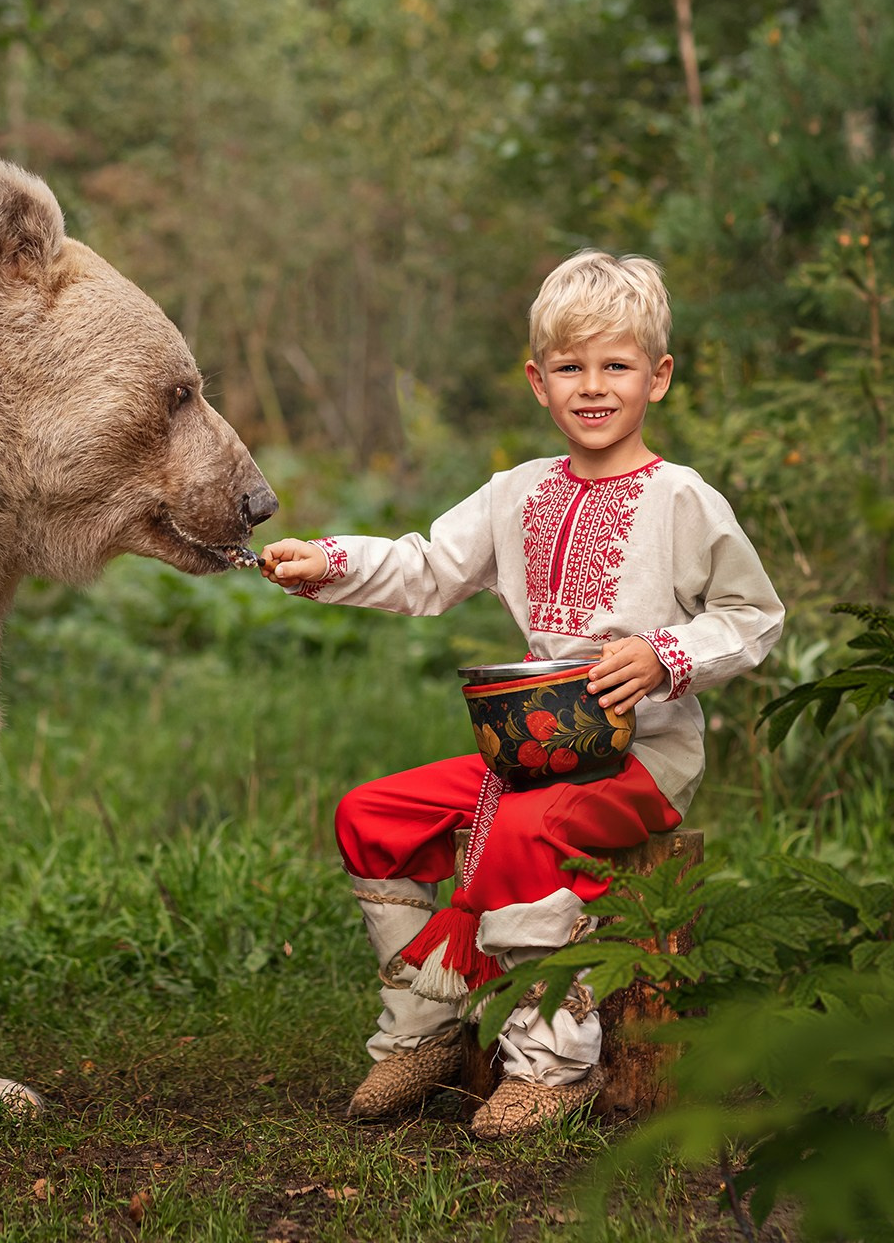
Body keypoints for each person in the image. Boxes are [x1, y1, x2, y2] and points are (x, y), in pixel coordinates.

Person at [260, 250, 783, 1138]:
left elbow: (754, 617)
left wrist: (666, 656)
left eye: (615, 366)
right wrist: (333, 560)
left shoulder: (685, 501)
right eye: (570, 368)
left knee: (521, 830)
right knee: (371, 814)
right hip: (532, 750)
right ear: (537, 382)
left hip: (645, 758)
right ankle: (427, 1029)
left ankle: (553, 1062)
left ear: (657, 377)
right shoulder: (517, 493)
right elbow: (427, 566)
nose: (593, 387)